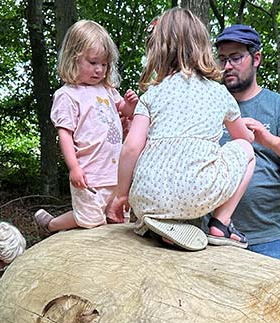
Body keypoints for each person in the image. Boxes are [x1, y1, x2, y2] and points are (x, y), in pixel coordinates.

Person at [107, 8, 256, 251]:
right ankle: (221, 224)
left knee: (161, 175)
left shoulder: (152, 95)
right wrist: (249, 130)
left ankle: (155, 220)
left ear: (159, 51)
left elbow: (131, 147)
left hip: (146, 194)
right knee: (246, 150)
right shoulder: (220, 93)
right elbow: (244, 138)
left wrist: (121, 195)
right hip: (197, 193)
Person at [214, 24, 280, 263]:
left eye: (236, 57)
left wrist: (268, 140)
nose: (227, 66)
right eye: (222, 59)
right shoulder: (210, 103)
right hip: (214, 238)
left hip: (268, 239)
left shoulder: (278, 106)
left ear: (256, 58)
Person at [34, 20, 139, 234]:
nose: (99, 70)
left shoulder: (107, 89)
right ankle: (51, 225)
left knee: (119, 219)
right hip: (89, 171)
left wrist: (129, 104)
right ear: (74, 58)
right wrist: (73, 167)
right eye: (93, 62)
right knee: (89, 219)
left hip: (116, 171)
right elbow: (64, 133)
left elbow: (125, 111)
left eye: (104, 64)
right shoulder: (67, 95)